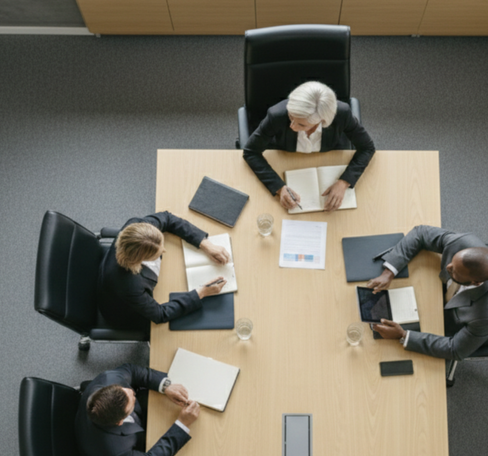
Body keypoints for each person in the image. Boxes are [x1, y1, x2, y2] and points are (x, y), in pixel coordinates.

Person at [365, 225, 488, 362]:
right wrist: (388, 273)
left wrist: (403, 335)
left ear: (475, 282)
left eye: (454, 271)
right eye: (452, 262)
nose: (447, 267)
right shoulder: (465, 243)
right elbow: (421, 233)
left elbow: (455, 350)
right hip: (437, 297)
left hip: (455, 321)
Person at [241, 81, 376, 212]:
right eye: (291, 117)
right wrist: (279, 187)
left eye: (301, 125)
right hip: (286, 160)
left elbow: (367, 147)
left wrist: (344, 182)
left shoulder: (341, 114)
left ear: (322, 121)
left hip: (329, 158)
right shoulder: (277, 115)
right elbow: (250, 151)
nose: (292, 126)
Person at [97, 212, 230, 326]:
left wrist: (206, 244)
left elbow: (168, 218)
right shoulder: (129, 285)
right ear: (140, 260)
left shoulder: (136, 227)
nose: (164, 250)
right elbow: (160, 314)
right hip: (125, 312)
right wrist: (202, 292)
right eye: (157, 253)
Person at [75, 363, 203, 456]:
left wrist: (165, 386)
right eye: (132, 401)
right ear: (120, 422)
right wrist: (182, 424)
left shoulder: (109, 379)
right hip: (125, 444)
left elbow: (132, 371)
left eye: (125, 390)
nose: (132, 391)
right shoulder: (114, 451)